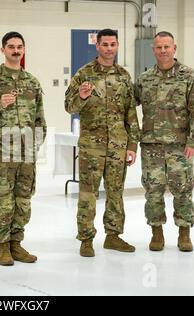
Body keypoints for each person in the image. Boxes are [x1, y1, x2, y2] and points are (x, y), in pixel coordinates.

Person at [0, 32, 47, 266]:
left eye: (20, 46)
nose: (16, 50)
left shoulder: (32, 82)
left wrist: (36, 142)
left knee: (23, 200)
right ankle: (2, 246)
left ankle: (17, 243)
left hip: (26, 153)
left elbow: (39, 118)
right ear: (3, 50)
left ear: (23, 50)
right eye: (11, 46)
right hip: (2, 152)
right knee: (3, 201)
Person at [65, 29, 140, 257]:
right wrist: (83, 96)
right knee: (88, 193)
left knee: (115, 192)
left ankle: (113, 236)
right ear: (97, 46)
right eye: (105, 44)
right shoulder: (83, 74)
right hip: (91, 147)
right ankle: (86, 239)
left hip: (118, 145)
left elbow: (130, 113)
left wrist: (132, 145)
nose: (109, 48)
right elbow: (70, 106)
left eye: (113, 44)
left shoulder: (124, 76)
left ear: (117, 46)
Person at [135, 31, 194, 252]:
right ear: (153, 50)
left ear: (174, 48)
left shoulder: (189, 76)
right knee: (153, 191)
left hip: (180, 146)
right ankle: (156, 232)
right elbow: (128, 108)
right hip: (151, 146)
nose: (163, 51)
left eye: (167, 47)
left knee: (183, 189)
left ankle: (184, 233)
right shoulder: (145, 79)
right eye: (159, 47)